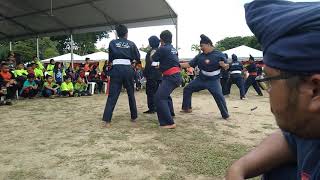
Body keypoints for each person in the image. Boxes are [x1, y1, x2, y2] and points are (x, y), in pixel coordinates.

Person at [226, 1, 320, 179]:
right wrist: (239, 168)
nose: (269, 91)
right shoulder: (311, 127)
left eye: (269, 81)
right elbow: (290, 139)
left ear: (314, 90)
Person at [180, 34, 230, 120]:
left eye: (202, 46)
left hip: (214, 80)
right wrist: (175, 64)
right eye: (200, 46)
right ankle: (187, 108)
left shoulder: (219, 54)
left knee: (219, 96)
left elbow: (227, 66)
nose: (201, 48)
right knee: (187, 88)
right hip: (201, 79)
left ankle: (225, 114)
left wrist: (224, 65)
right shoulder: (200, 56)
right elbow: (188, 64)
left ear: (208, 44)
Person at [102, 24, 140, 128]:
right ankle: (134, 117)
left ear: (117, 34)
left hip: (116, 69)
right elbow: (137, 56)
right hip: (128, 69)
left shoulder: (112, 43)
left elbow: (110, 58)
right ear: (126, 33)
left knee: (112, 95)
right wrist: (133, 63)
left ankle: (107, 120)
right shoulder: (131, 43)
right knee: (130, 93)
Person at [152, 30, 182, 129]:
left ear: (161, 40)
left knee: (159, 98)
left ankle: (168, 123)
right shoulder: (173, 49)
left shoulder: (163, 48)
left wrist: (155, 51)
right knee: (165, 95)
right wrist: (161, 67)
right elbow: (171, 62)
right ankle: (170, 113)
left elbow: (153, 58)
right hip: (175, 75)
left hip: (171, 77)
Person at [143, 35, 162, 114]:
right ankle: (156, 107)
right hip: (158, 75)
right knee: (157, 91)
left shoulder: (152, 51)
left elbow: (150, 63)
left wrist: (145, 72)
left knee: (150, 92)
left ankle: (152, 108)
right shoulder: (160, 50)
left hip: (151, 75)